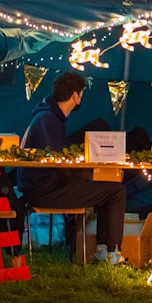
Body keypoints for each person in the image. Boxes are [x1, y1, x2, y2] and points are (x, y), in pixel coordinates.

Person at [18, 71, 127, 263]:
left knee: (106, 187)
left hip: (44, 185)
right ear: (75, 95)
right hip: (44, 189)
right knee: (115, 191)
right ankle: (111, 253)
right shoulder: (48, 119)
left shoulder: (47, 115)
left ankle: (105, 249)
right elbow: (59, 158)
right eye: (81, 94)